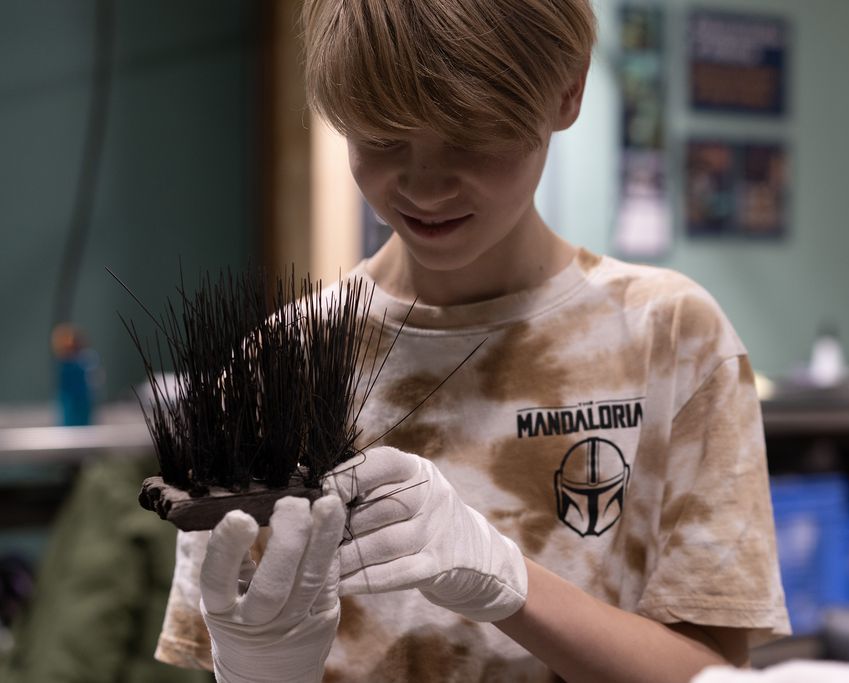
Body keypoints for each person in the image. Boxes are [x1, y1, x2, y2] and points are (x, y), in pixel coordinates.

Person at [155, 0, 792, 680]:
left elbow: (712, 670)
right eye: (382, 138)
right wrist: (258, 669)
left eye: (469, 137)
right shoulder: (277, 368)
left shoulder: (671, 338)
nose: (424, 184)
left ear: (567, 92)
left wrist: (510, 580)